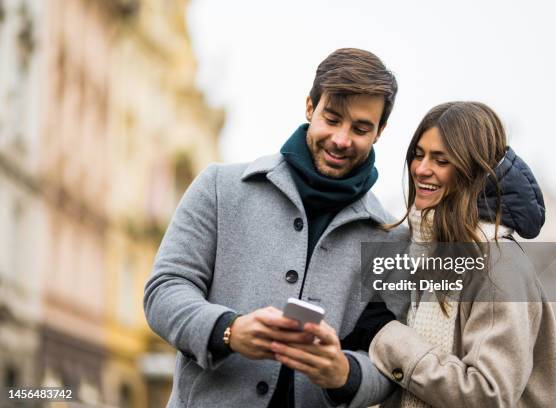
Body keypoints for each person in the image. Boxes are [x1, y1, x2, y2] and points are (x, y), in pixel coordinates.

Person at [144, 48, 403, 408]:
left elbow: (389, 363)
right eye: (332, 118)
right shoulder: (219, 187)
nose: (342, 140)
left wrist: (345, 373)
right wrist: (228, 331)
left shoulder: (391, 238)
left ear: (380, 132)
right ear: (310, 108)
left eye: (361, 128)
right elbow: (163, 291)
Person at [367, 101, 556, 407]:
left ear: (472, 171)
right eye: (418, 155)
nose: (421, 169)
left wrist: (388, 338)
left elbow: (486, 395)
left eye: (441, 160)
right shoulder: (424, 251)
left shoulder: (498, 264)